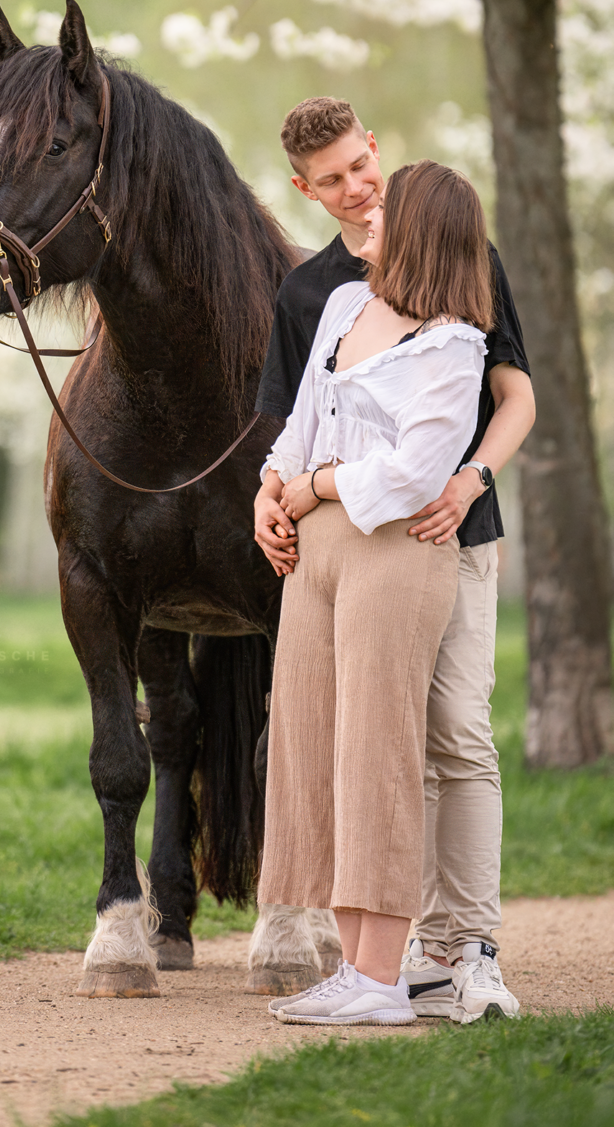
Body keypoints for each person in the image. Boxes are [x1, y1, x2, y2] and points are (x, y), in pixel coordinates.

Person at [255, 99, 535, 1025]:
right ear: (307, 188)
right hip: (340, 534)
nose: (357, 191)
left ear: (374, 148)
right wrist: (274, 494)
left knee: (452, 732)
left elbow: (508, 400)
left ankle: (471, 946)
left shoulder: (459, 265)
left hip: (442, 529)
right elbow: (293, 424)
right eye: (332, 182)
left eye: (362, 169)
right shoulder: (318, 295)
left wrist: (473, 477)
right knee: (366, 745)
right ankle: (400, 955)